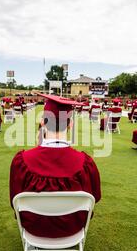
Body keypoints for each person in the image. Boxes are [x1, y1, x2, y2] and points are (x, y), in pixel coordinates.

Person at [9, 93, 101, 239]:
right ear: (71, 124)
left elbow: (14, 200)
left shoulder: (21, 161)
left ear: (43, 122)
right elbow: (95, 197)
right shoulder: (85, 163)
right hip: (73, 227)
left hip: (34, 227)